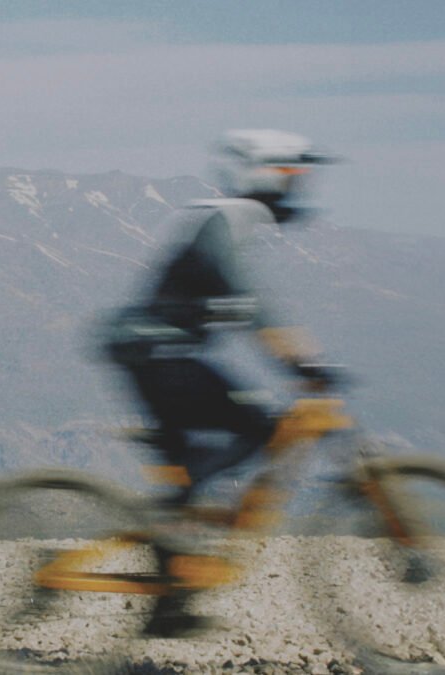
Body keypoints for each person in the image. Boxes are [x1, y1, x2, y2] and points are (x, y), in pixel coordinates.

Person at [100, 129, 338, 637]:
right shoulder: (229, 216)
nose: (301, 189)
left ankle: (170, 600)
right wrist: (300, 359)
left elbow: (235, 300)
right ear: (268, 172)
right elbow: (246, 296)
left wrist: (286, 352)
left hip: (156, 349)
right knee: (254, 428)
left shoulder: (224, 217)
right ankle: (173, 535)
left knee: (210, 450)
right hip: (156, 349)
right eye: (295, 176)